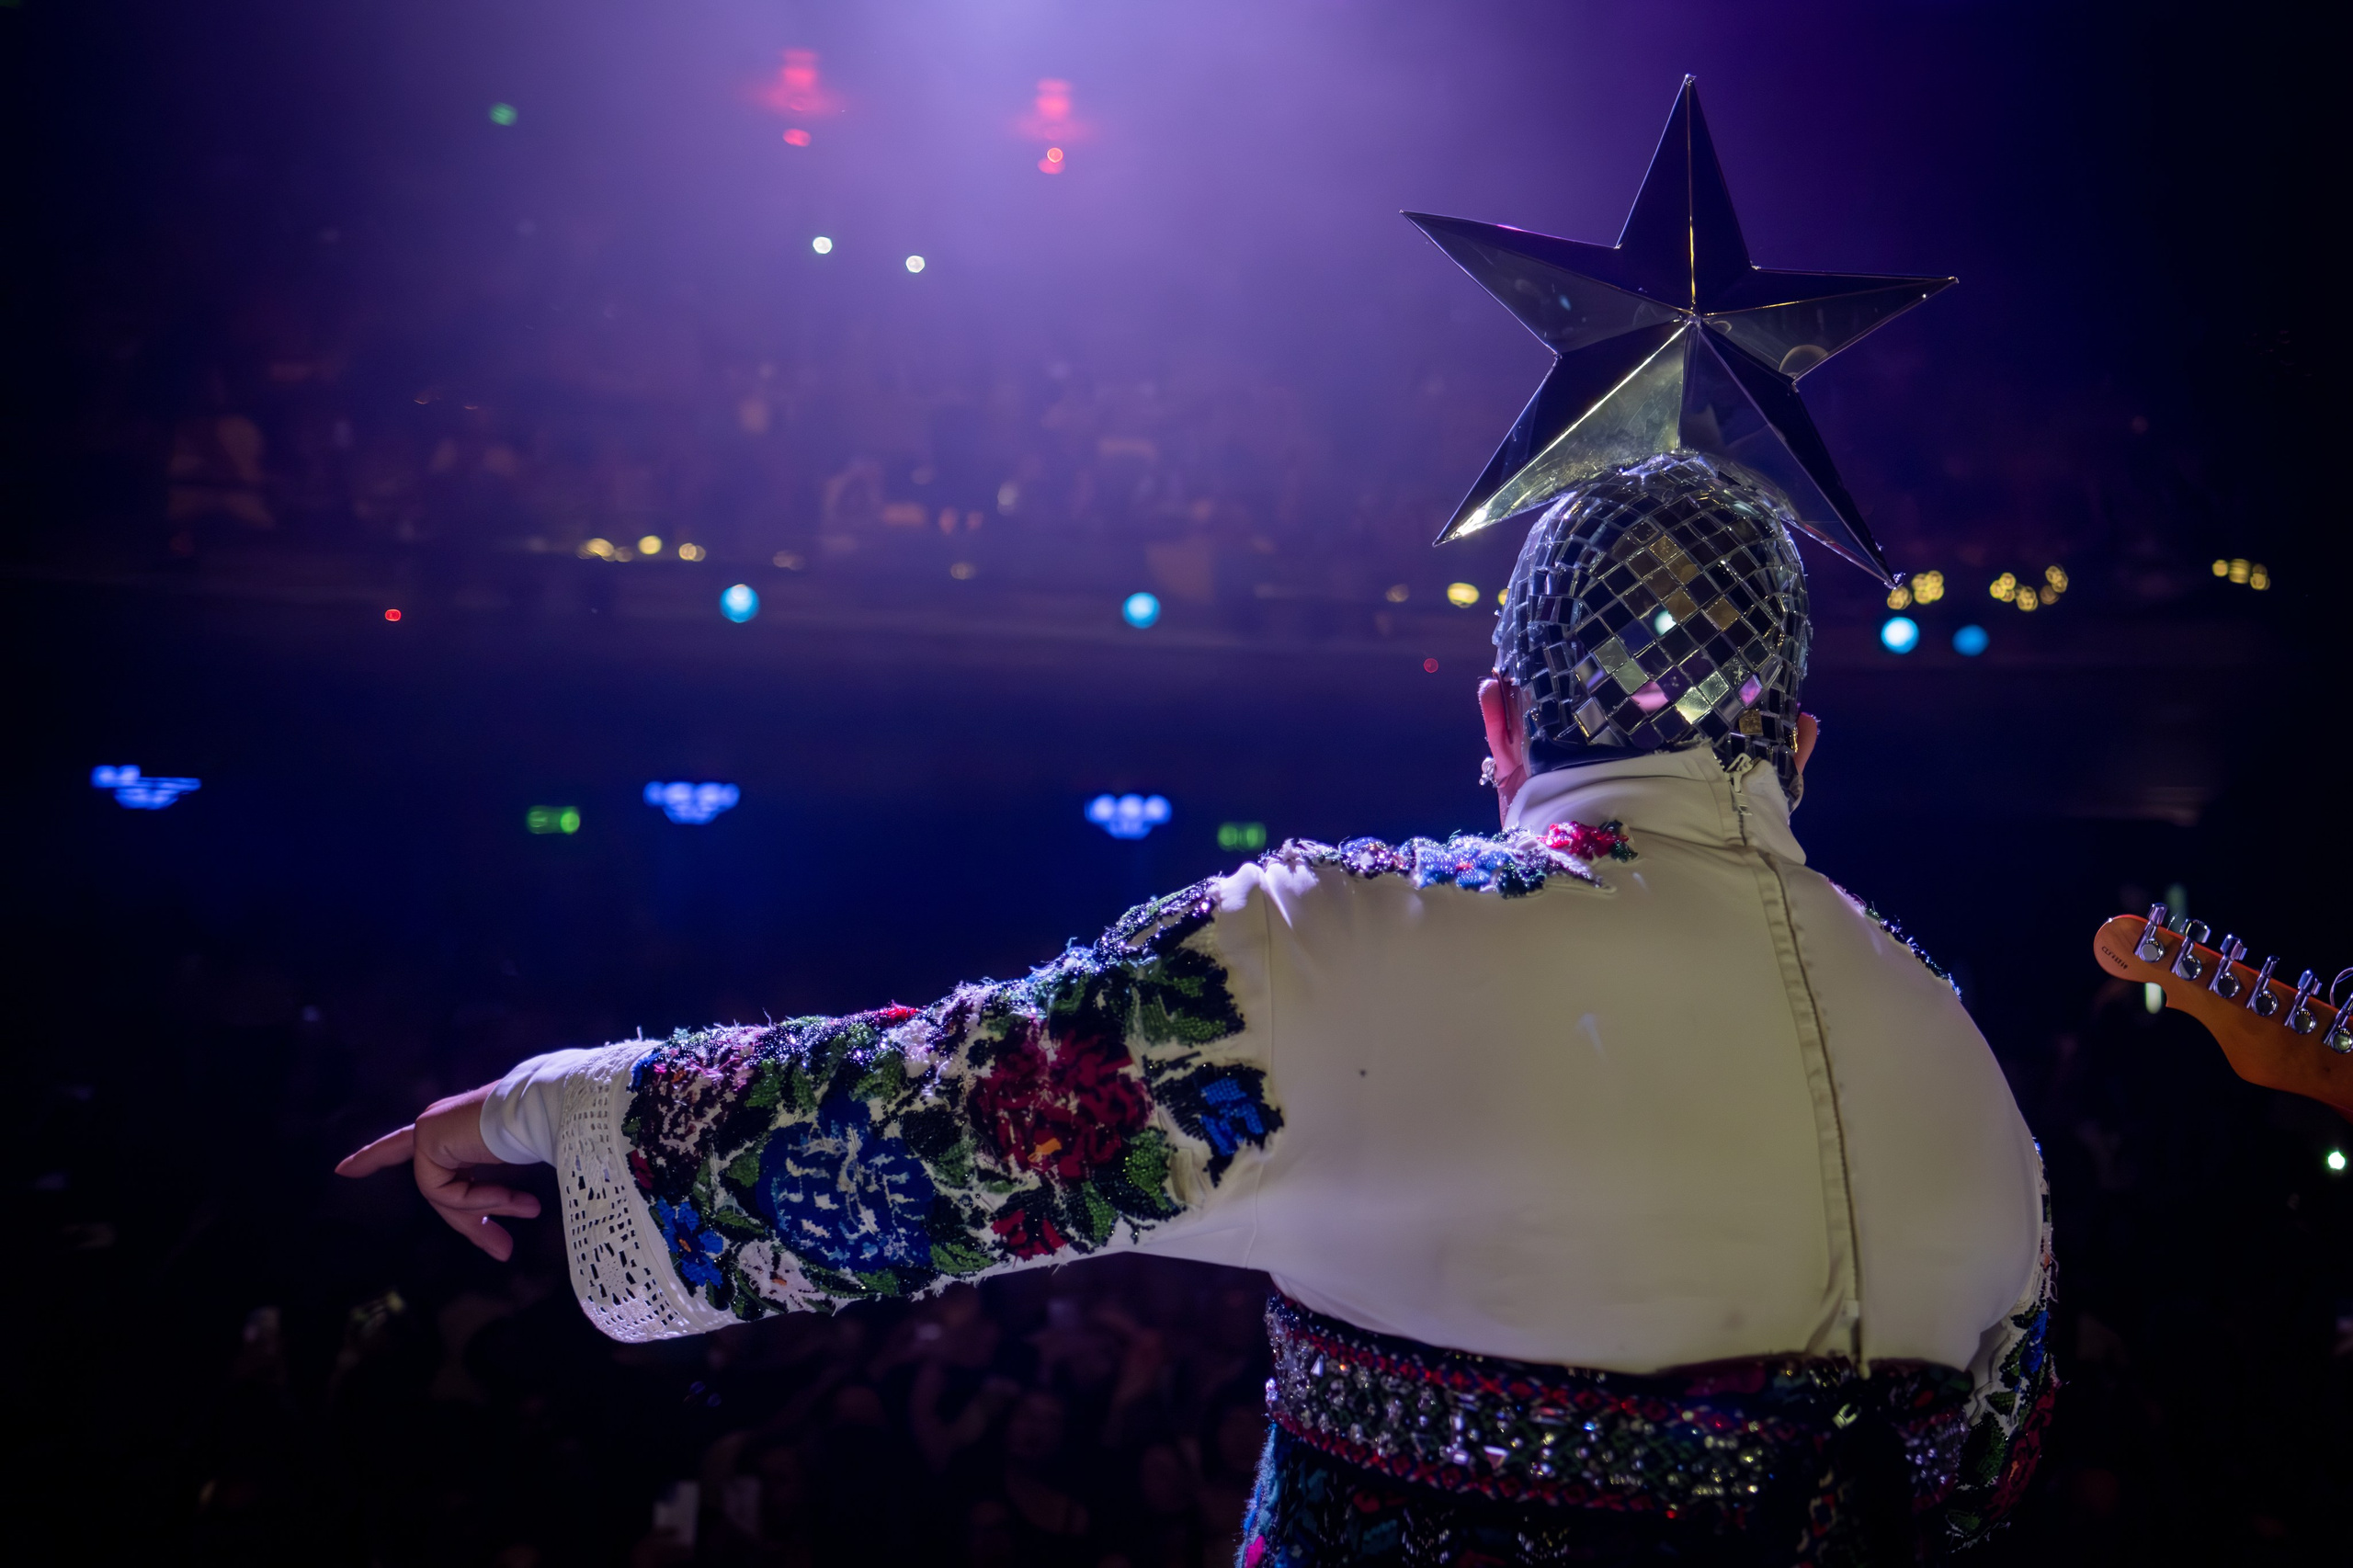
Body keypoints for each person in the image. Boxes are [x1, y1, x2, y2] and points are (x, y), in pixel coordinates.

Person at [342, 82, 2052, 1566]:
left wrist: (541, 1104)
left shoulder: (1349, 946)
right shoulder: (1965, 1064)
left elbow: (920, 1126)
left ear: (1500, 722)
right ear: (1799, 743)